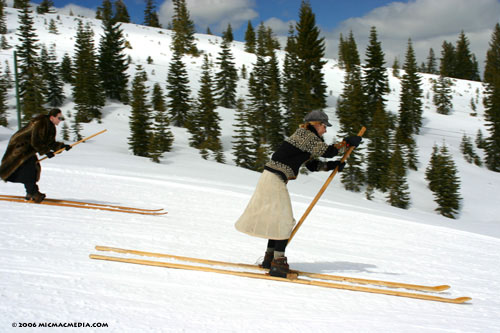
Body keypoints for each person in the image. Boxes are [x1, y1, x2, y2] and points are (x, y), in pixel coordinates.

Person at [235, 110, 362, 278]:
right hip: (273, 180)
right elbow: (328, 151)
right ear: (315, 124)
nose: (325, 130)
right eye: (324, 126)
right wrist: (347, 142)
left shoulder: (306, 140)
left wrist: (332, 166)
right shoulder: (304, 134)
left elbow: (312, 165)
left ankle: (270, 258)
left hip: (272, 179)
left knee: (277, 219)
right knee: (285, 220)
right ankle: (278, 263)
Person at [0, 108, 71, 203]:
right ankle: (33, 193)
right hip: (20, 146)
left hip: (28, 148)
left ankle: (31, 193)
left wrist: (61, 146)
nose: (60, 120)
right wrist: (46, 151)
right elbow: (36, 141)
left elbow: (50, 142)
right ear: (52, 117)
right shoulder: (40, 123)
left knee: (32, 168)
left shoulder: (51, 126)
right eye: (59, 118)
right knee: (29, 169)